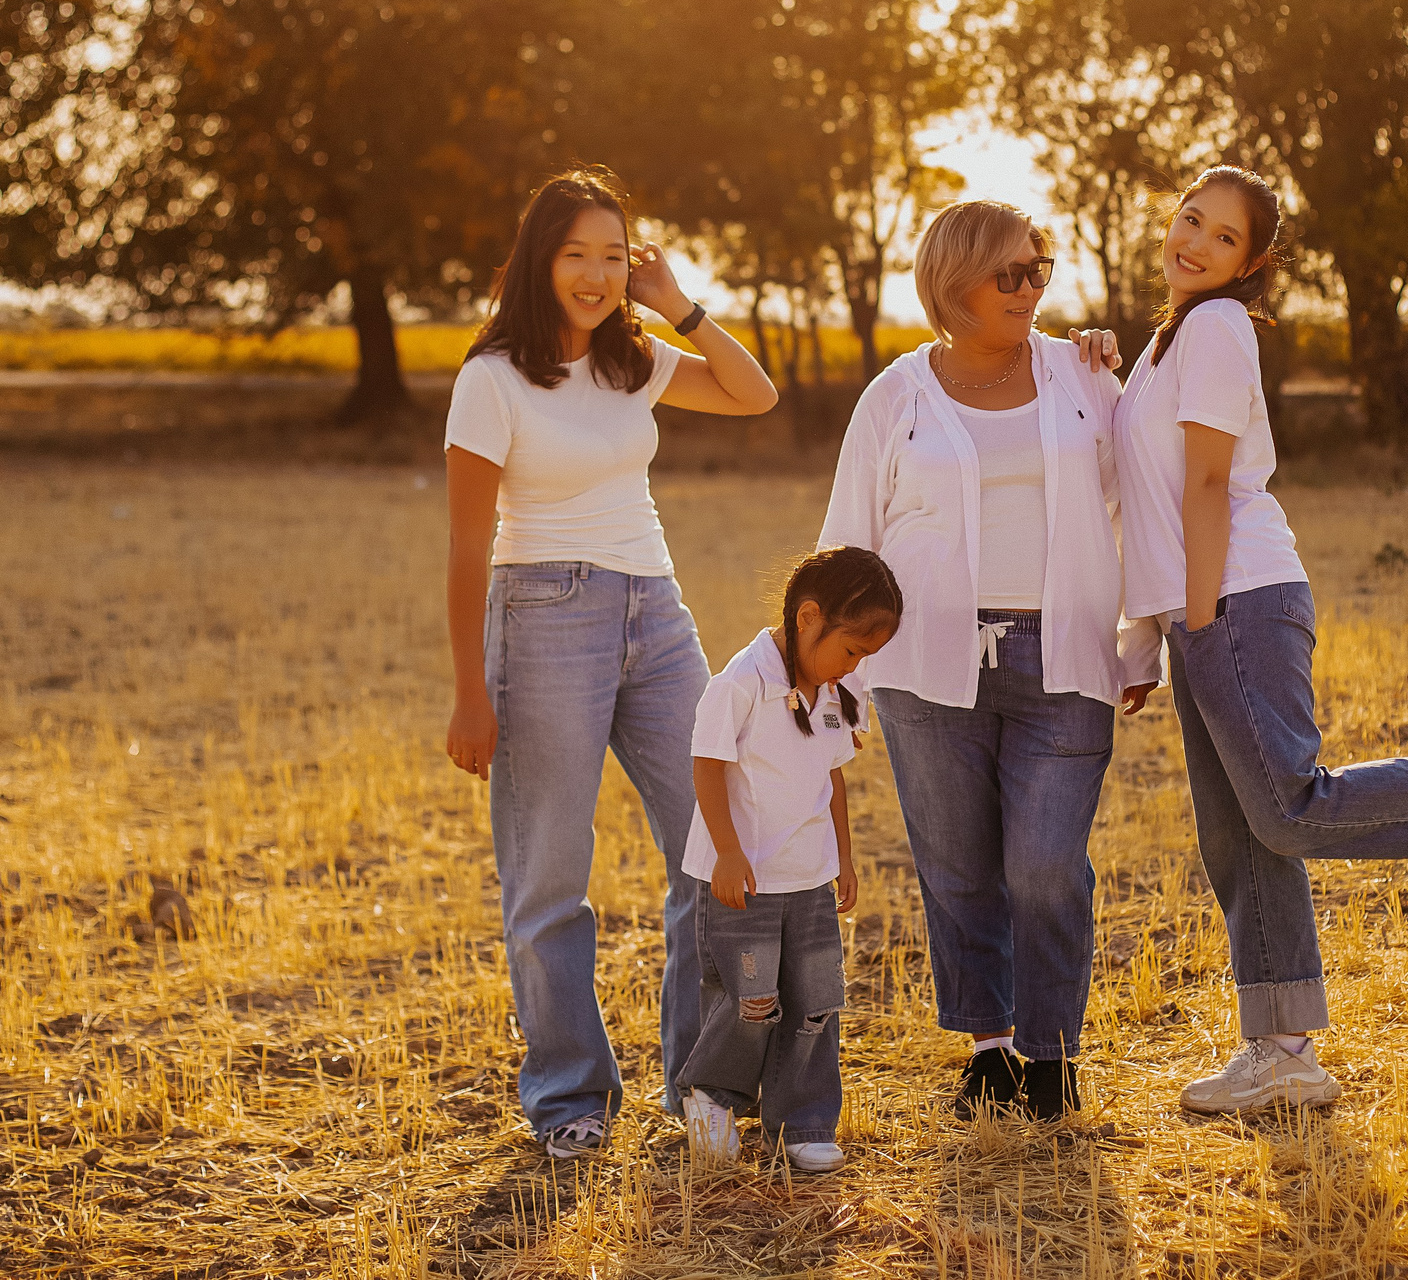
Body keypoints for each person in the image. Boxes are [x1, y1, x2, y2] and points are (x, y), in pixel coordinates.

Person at [1114, 165, 1408, 1114]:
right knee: (1239, 834)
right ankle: (1284, 1048)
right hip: (1199, 608)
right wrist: (1150, 639)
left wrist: (1198, 621)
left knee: (1284, 809)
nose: (1196, 242)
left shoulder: (1214, 327)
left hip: (1236, 596)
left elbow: (1206, 486)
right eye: (1189, 219)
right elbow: (1145, 504)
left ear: (1254, 263)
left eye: (1224, 238)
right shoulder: (1165, 344)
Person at [442, 167, 780, 1160]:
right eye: (574, 255)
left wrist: (681, 305)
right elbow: (467, 547)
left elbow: (754, 395)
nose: (593, 277)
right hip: (543, 614)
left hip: (656, 610)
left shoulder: (638, 360)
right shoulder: (491, 379)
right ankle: (568, 1096)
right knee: (550, 872)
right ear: (537, 262)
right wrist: (471, 690)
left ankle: (702, 1082)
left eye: (610, 257)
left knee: (712, 843)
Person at [818, 200, 1158, 1124]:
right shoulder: (894, 395)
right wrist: (828, 678)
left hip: (1067, 653)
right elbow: (850, 536)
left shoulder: (1085, 374)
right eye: (1010, 273)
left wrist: (1142, 636)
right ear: (954, 280)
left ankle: (1052, 1049)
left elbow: (1140, 506)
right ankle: (991, 1046)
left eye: (1040, 268)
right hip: (926, 664)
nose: (1032, 287)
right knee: (959, 866)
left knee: (1046, 866)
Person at [678, 546, 903, 1175]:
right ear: (809, 618)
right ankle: (713, 1100)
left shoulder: (831, 691)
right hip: (744, 881)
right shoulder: (740, 684)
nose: (855, 666)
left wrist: (846, 859)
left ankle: (801, 1121)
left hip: (808, 880)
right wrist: (726, 852)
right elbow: (708, 765)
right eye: (853, 650)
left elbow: (832, 779)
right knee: (752, 998)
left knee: (816, 999)